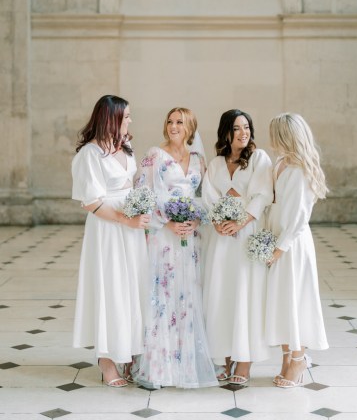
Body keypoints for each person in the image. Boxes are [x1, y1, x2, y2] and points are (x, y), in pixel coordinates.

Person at [135, 107, 217, 389]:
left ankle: (186, 365)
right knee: (163, 295)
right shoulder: (155, 155)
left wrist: (195, 220)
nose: (173, 126)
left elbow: (205, 195)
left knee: (188, 295)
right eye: (170, 121)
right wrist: (167, 223)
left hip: (190, 238)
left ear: (190, 127)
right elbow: (142, 193)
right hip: (164, 237)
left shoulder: (198, 160)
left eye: (179, 122)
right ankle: (158, 369)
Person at [71, 95, 149, 387]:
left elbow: (131, 185)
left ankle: (128, 352)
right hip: (108, 229)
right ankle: (106, 361)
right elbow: (91, 202)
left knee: (132, 288)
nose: (130, 121)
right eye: (126, 116)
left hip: (131, 229)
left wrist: (139, 212)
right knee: (111, 288)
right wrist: (125, 219)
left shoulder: (125, 147)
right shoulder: (89, 155)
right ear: (111, 118)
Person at [202, 109, 273, 385]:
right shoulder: (217, 163)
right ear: (226, 133)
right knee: (222, 294)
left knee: (246, 294)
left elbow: (263, 194)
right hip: (220, 240)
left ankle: (244, 361)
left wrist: (240, 222)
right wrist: (218, 220)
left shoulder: (258, 159)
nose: (244, 133)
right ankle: (224, 355)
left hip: (246, 236)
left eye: (247, 128)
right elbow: (209, 195)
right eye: (237, 128)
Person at [265, 112, 329, 389]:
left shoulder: (301, 169)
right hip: (275, 238)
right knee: (280, 301)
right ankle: (285, 357)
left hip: (292, 245)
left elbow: (298, 216)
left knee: (295, 299)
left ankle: (299, 358)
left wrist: (279, 248)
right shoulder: (280, 163)